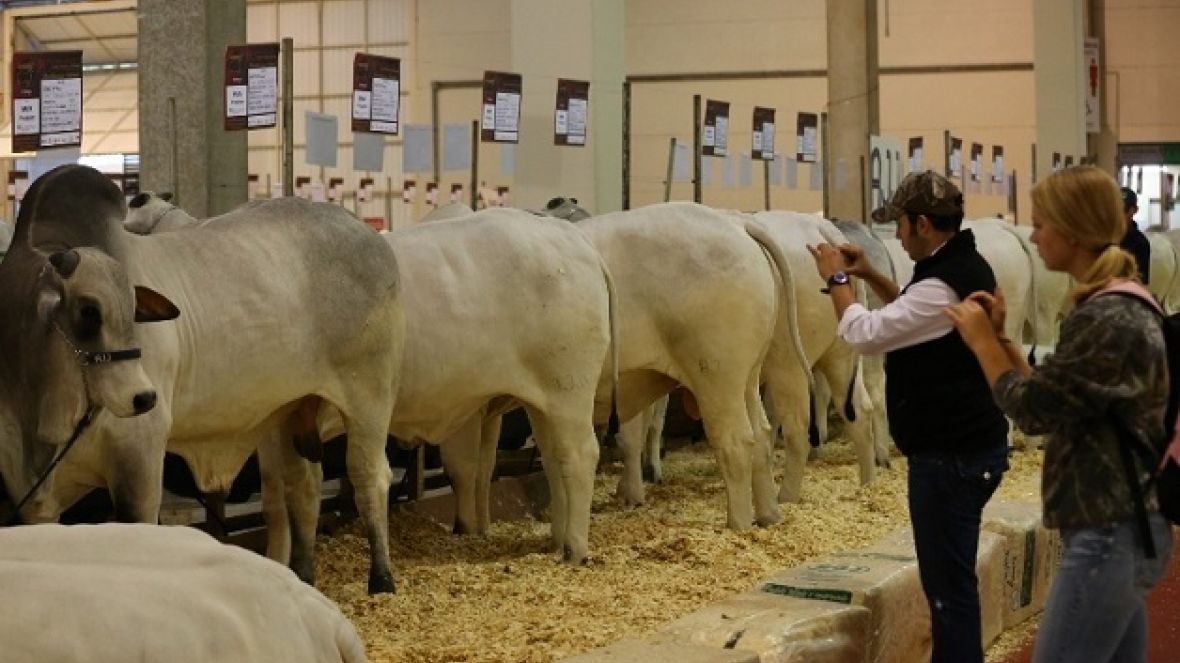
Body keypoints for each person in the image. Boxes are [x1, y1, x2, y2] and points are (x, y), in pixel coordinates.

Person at [945, 165, 1173, 663]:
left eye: (1041, 224)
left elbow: (1032, 412)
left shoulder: (1105, 317)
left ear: (1072, 230)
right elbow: (1058, 397)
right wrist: (1004, 340)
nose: (1033, 237)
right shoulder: (1120, 303)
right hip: (1123, 525)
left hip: (1109, 533)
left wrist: (981, 345)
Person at [808, 170, 1009, 663]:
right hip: (966, 450)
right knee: (950, 583)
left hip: (951, 457)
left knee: (948, 590)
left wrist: (836, 280)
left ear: (922, 224)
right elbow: (916, 315)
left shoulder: (943, 281)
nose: (896, 235)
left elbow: (864, 335)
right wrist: (869, 275)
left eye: (900, 224)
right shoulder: (957, 266)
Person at [1120, 187, 1151, 284]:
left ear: (1134, 210)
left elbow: (1141, 281)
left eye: (1123, 210)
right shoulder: (1102, 239)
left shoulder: (1141, 243)